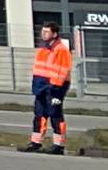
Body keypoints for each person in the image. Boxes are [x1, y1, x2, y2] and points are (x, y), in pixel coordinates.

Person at [26, 22, 73, 155]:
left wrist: (57, 91)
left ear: (54, 34)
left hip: (55, 87)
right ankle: (36, 142)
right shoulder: (43, 48)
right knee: (39, 114)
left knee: (55, 115)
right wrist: (36, 86)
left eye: (47, 32)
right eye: (43, 31)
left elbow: (63, 71)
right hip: (41, 86)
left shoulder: (61, 49)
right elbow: (38, 69)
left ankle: (58, 145)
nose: (43, 34)